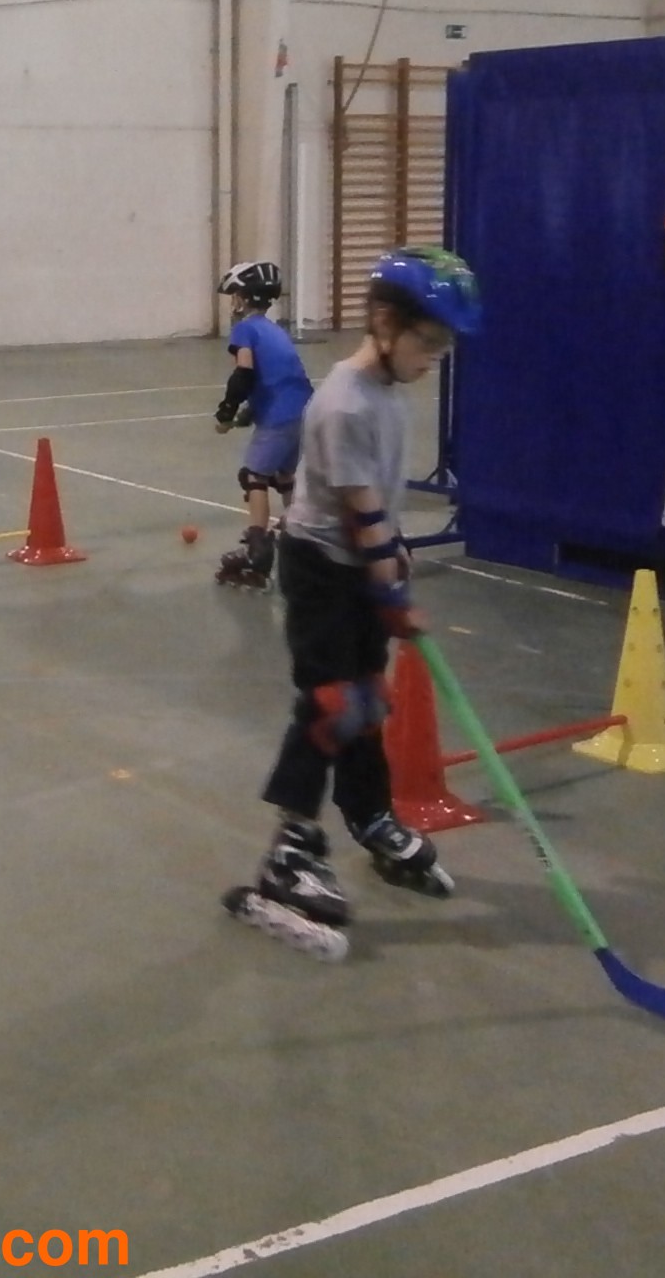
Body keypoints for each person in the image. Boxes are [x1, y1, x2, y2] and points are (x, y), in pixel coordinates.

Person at [222, 246, 479, 962]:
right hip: (321, 570)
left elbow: (381, 510)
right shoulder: (342, 403)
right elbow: (360, 511)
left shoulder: (390, 392)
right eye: (429, 341)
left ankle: (370, 815)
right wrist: (391, 590)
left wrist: (394, 557)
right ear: (386, 323)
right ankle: (291, 849)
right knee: (331, 703)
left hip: (361, 561)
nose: (435, 357)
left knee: (369, 701)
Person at [211, 260, 314, 589]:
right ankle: (303, 537)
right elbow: (277, 375)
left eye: (235, 296)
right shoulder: (275, 330)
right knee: (285, 476)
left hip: (279, 415)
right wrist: (249, 413)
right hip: (305, 411)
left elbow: (244, 374)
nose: (233, 302)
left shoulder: (246, 329)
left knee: (254, 476)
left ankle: (258, 551)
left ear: (243, 298)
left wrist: (226, 411)